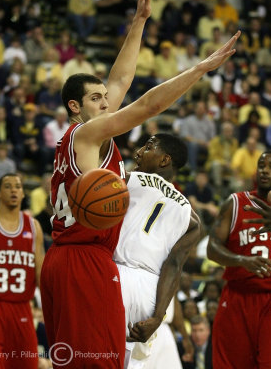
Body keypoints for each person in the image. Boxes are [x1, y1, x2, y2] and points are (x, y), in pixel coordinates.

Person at [40, 0, 241, 366]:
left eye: (104, 97)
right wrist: (201, 68)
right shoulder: (86, 134)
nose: (106, 101)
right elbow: (147, 107)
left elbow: (121, 78)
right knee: (100, 360)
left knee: (76, 360)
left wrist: (140, 21)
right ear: (75, 107)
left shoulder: (88, 137)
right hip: (84, 259)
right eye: (96, 98)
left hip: (66, 259)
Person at [113, 133, 201, 368]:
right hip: (151, 290)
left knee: (95, 355)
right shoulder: (190, 216)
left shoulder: (127, 179)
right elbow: (173, 267)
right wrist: (158, 317)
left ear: (164, 160)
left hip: (115, 276)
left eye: (148, 147)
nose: (139, 152)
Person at [207, 150, 271, 368]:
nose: (264, 170)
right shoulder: (235, 203)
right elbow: (212, 249)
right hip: (237, 296)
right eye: (261, 165)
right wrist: (241, 260)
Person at [0, 173, 45, 369]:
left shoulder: (34, 226)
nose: (13, 190)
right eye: (8, 186)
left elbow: (41, 273)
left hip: (22, 308)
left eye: (18, 186)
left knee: (27, 363)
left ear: (23, 193)